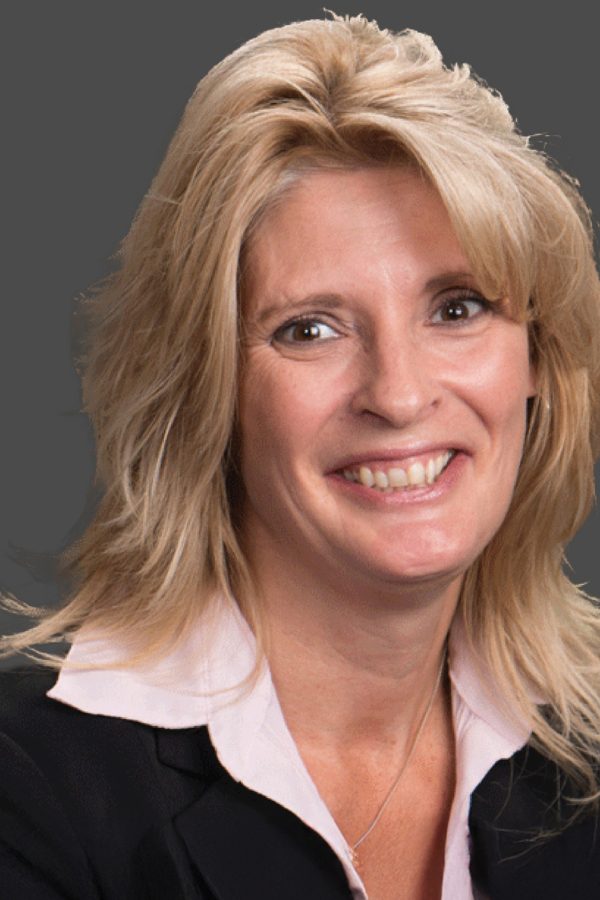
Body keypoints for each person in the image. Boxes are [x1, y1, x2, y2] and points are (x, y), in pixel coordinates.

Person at [1, 13, 600, 900]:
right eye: (309, 329)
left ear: (539, 359)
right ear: (207, 390)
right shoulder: (31, 790)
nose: (397, 395)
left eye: (458, 307)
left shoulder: (584, 745)